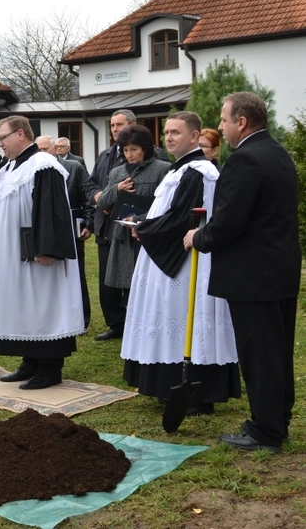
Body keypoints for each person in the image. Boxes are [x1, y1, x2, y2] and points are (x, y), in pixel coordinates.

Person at [183, 92, 300, 452]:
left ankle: (265, 431)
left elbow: (230, 222)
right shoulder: (278, 153)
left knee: (259, 354)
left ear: (242, 122)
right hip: (279, 269)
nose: (219, 126)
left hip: (253, 276)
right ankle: (275, 419)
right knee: (276, 351)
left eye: (223, 119)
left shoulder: (245, 159)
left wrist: (198, 236)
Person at [121, 111, 240, 416]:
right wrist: (146, 222)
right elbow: (168, 213)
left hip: (190, 263)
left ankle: (199, 393)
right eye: (168, 133)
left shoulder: (200, 172)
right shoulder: (180, 170)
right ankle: (169, 384)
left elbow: (183, 219)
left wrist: (144, 228)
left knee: (189, 319)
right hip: (170, 259)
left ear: (195, 136)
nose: (169, 137)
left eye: (176, 132)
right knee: (172, 318)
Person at [0, 116, 84, 390]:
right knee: (25, 305)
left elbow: (52, 208)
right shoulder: (10, 166)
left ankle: (50, 368)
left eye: (2, 137)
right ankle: (30, 361)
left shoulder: (43, 164)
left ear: (20, 134)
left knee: (43, 304)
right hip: (14, 257)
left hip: (37, 254)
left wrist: (47, 249)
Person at [96, 126, 171, 300]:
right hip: (123, 238)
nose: (129, 154)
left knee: (151, 288)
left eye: (134, 149)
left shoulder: (163, 169)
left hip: (148, 234)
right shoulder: (117, 172)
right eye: (126, 150)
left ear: (145, 148)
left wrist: (141, 219)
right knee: (128, 290)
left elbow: (166, 204)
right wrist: (117, 189)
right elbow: (102, 202)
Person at [84, 109, 133, 341]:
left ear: (132, 125)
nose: (115, 129)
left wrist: (114, 201)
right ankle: (115, 323)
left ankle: (135, 324)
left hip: (131, 228)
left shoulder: (151, 155)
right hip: (106, 227)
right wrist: (99, 197)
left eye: (119, 124)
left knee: (131, 278)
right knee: (107, 280)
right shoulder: (105, 155)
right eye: (112, 125)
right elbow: (91, 184)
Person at [37, 135, 95, 328]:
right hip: (45, 231)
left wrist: (89, 223)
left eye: (45, 149)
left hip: (71, 229)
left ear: (56, 149)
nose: (41, 153)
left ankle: (81, 320)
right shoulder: (33, 171)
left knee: (75, 274)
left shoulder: (74, 168)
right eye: (38, 149)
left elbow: (87, 197)